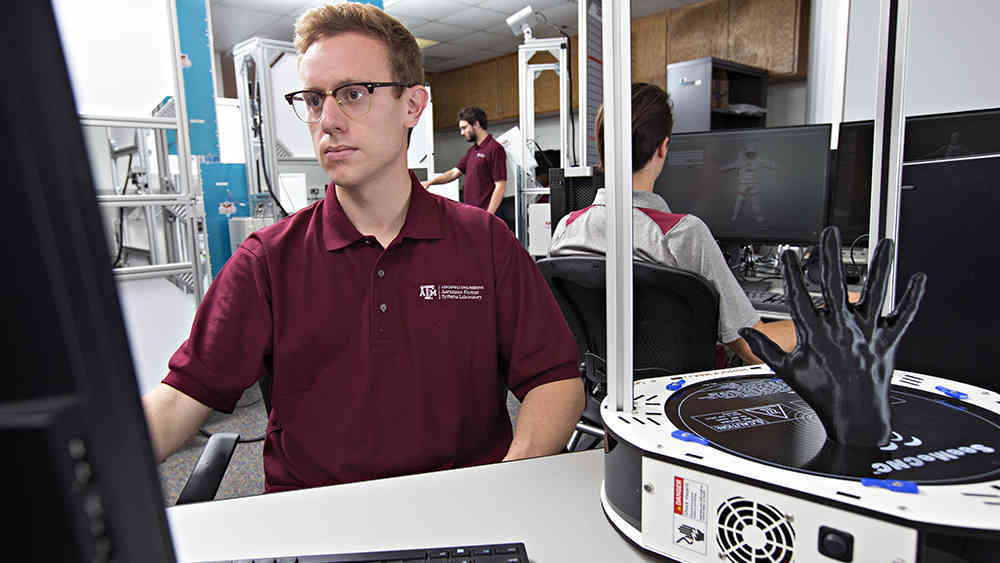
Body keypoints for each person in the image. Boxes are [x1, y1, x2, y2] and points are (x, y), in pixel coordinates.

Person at [142, 3, 583, 493]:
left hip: (462, 513)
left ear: (413, 105)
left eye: (353, 94)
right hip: (317, 519)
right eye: (313, 99)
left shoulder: (487, 244)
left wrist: (506, 480)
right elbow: (181, 397)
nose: (327, 120)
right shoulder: (267, 262)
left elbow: (555, 380)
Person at [548, 83, 795, 365]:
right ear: (663, 147)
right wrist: (822, 319)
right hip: (680, 399)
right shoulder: (683, 234)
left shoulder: (567, 228)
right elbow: (754, 349)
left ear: (601, 147)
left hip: (600, 397)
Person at [422, 107, 508, 215]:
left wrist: (488, 216)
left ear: (476, 124)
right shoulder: (472, 151)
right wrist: (430, 182)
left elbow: (500, 185)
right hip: (472, 213)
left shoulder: (495, 148)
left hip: (485, 216)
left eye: (464, 128)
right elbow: (454, 173)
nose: (462, 133)